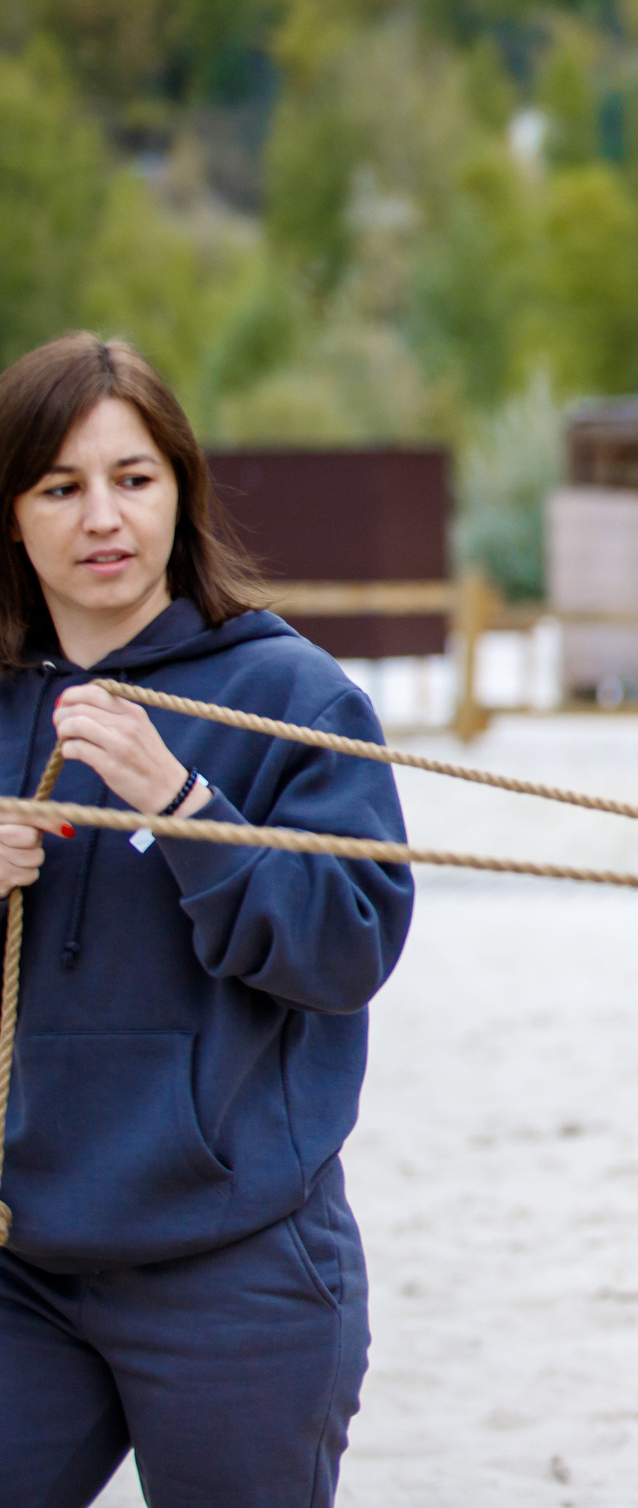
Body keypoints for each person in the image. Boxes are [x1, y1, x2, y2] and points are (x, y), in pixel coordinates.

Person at [0, 336, 412, 1507]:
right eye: (59, 487)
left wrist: (182, 806)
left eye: (133, 479)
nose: (102, 518)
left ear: (180, 491)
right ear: (12, 516)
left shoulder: (296, 697)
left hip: (237, 1268)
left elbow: (348, 955)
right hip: (18, 1258)